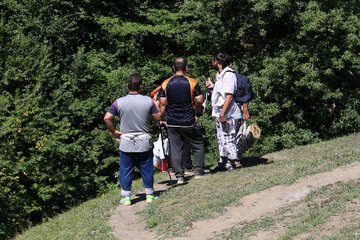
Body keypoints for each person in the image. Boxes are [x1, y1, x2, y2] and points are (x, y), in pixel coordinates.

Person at [104, 73, 162, 206]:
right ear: (141, 87)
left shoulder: (119, 102)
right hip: (144, 140)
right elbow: (158, 117)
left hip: (126, 140)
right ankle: (149, 195)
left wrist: (114, 132)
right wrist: (157, 103)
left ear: (127, 86)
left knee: (125, 169)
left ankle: (126, 197)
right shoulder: (149, 101)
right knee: (146, 168)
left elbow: (107, 118)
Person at [159, 57, 208, 184]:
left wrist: (161, 118)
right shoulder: (192, 82)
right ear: (186, 68)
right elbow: (200, 100)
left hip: (172, 122)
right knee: (198, 145)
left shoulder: (165, 83)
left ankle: (180, 177)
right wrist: (195, 107)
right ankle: (198, 172)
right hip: (188, 121)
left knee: (175, 149)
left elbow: (162, 103)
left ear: (174, 68)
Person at [206, 52, 250, 171]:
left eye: (212, 60)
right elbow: (223, 92)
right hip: (221, 112)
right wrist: (213, 87)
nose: (212, 63)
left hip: (228, 113)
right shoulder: (221, 74)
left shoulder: (228, 75)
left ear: (216, 61)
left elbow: (229, 96)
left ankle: (231, 163)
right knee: (222, 138)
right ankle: (224, 161)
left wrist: (222, 114)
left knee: (229, 138)